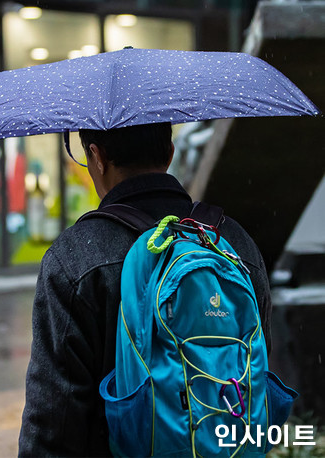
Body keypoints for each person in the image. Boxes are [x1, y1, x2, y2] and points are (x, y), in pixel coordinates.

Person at [18, 122, 272, 456]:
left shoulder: (77, 256)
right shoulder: (233, 243)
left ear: (96, 156)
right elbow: (260, 380)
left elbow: (54, 420)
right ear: (170, 153)